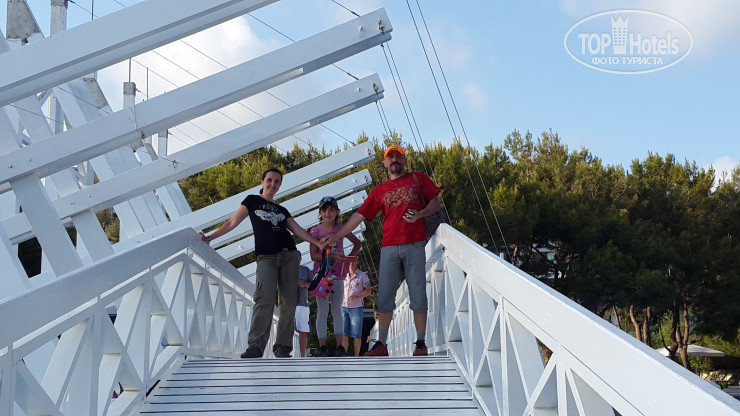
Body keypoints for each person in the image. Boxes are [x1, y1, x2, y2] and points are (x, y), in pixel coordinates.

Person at [324, 145, 441, 356]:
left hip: (414, 243)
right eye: (390, 157)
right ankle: (382, 344)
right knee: (385, 295)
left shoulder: (418, 178)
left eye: (398, 156)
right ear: (385, 163)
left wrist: (420, 214)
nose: (394, 159)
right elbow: (359, 216)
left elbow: (435, 203)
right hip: (389, 247)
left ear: (405, 160)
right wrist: (337, 235)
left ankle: (420, 343)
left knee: (418, 293)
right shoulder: (380, 190)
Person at [200, 168, 324, 359]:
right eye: (269, 180)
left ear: (280, 185)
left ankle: (283, 348)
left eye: (277, 182)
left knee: (289, 301)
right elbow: (232, 222)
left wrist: (318, 243)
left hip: (289, 254)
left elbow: (297, 230)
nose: (272, 184)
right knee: (264, 298)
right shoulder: (252, 201)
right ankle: (256, 346)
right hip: (266, 256)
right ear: (262, 181)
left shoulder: (282, 210)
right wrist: (210, 237)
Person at [309, 196, 362, 357]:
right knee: (323, 310)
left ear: (337, 212)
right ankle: (322, 346)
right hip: (321, 276)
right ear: (320, 212)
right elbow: (313, 255)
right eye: (324, 210)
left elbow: (357, 243)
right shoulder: (315, 231)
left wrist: (348, 258)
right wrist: (330, 257)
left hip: (338, 275)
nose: (328, 213)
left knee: (337, 309)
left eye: (331, 210)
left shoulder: (341, 229)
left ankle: (340, 346)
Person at [342, 258, 371, 356]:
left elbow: (368, 291)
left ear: (357, 262)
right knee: (343, 333)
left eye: (353, 260)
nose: (351, 263)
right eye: (349, 260)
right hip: (343, 307)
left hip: (356, 308)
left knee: (356, 334)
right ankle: (344, 354)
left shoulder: (362, 276)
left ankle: (356, 356)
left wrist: (357, 297)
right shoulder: (342, 275)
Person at [296, 264, 312, 357]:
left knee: (303, 330)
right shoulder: (284, 267)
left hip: (303, 303)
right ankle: (284, 353)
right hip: (287, 304)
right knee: (286, 329)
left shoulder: (305, 269)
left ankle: (302, 356)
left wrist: (305, 284)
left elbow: (314, 284)